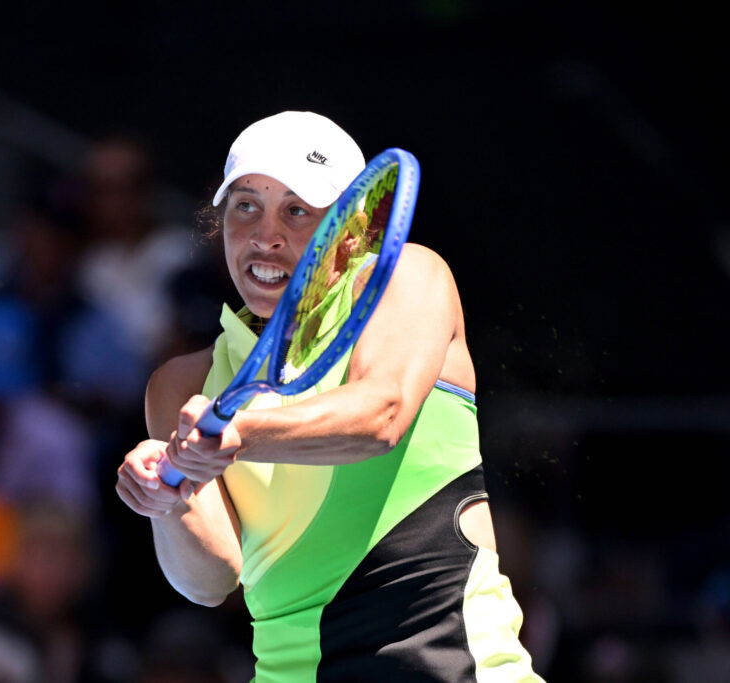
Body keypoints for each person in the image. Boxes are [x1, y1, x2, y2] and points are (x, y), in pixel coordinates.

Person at [115, 111, 543, 681]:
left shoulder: (407, 276)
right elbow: (211, 580)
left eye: (297, 211)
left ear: (354, 231)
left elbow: (381, 414)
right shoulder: (180, 384)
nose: (265, 235)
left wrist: (241, 433)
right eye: (246, 206)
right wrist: (167, 499)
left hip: (446, 664)